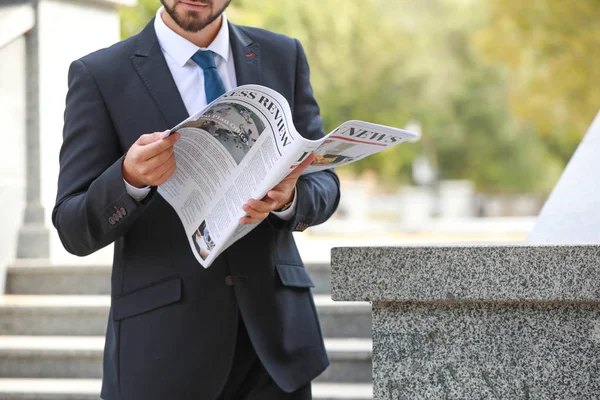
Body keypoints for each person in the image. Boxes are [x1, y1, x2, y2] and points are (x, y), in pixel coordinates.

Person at [52, 0, 340, 399]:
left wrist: (290, 198)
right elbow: (72, 227)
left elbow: (324, 180)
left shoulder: (283, 55)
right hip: (163, 353)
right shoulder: (100, 74)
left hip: (274, 352)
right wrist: (128, 180)